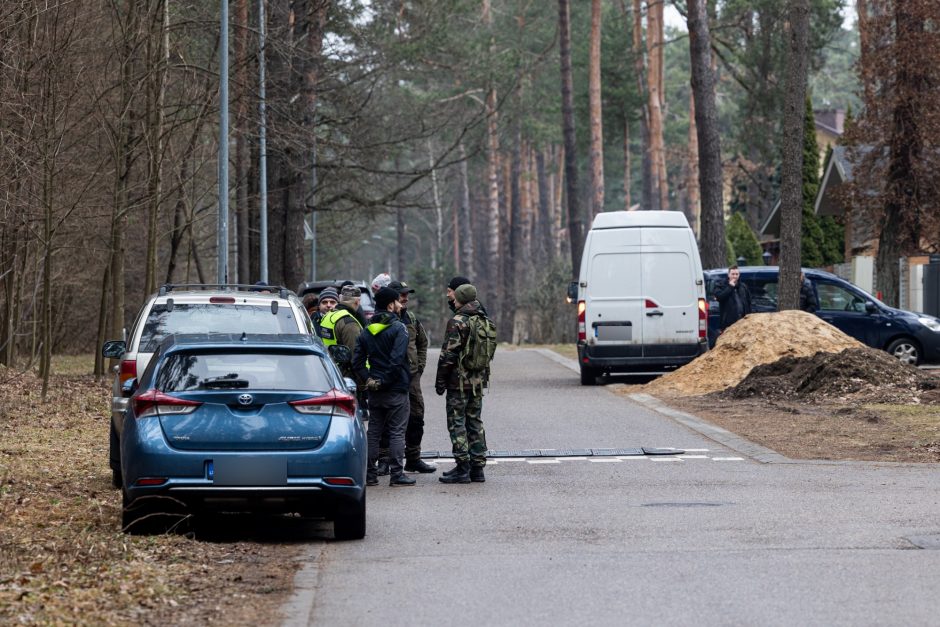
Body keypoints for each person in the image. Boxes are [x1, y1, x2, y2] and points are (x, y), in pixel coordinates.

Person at [353, 287, 415, 487]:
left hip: (375, 391)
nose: (400, 304)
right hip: (395, 388)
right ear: (390, 304)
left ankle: (370, 475)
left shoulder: (366, 330)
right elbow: (397, 360)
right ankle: (397, 475)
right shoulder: (399, 328)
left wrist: (370, 380)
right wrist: (386, 381)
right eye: (397, 301)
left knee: (374, 432)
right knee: (397, 432)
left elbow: (357, 362)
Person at [376, 281, 434, 475]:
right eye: (402, 294)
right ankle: (384, 460)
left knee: (416, 417)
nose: (406, 298)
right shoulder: (382, 319)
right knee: (387, 418)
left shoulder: (410, 317)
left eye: (407, 294)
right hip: (389, 376)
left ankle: (414, 458)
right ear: (392, 299)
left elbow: (422, 343)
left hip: (411, 377)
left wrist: (420, 366)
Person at [436, 283, 490, 484]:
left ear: (460, 298)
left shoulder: (457, 321)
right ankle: (478, 468)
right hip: (478, 380)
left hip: (458, 382)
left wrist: (440, 380)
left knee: (457, 423)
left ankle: (462, 467)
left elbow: (448, 355)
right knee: (475, 421)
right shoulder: (482, 318)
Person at [320, 285, 364, 383]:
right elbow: (355, 356)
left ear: (340, 299)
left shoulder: (329, 316)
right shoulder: (349, 323)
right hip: (348, 378)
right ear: (357, 302)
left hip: (330, 371)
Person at [715, 265, 752, 332]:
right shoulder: (721, 285)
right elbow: (719, 297)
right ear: (728, 274)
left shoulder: (743, 286)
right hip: (728, 323)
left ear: (739, 275)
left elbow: (749, 302)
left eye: (736, 274)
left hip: (742, 321)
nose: (735, 276)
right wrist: (730, 287)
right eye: (733, 274)